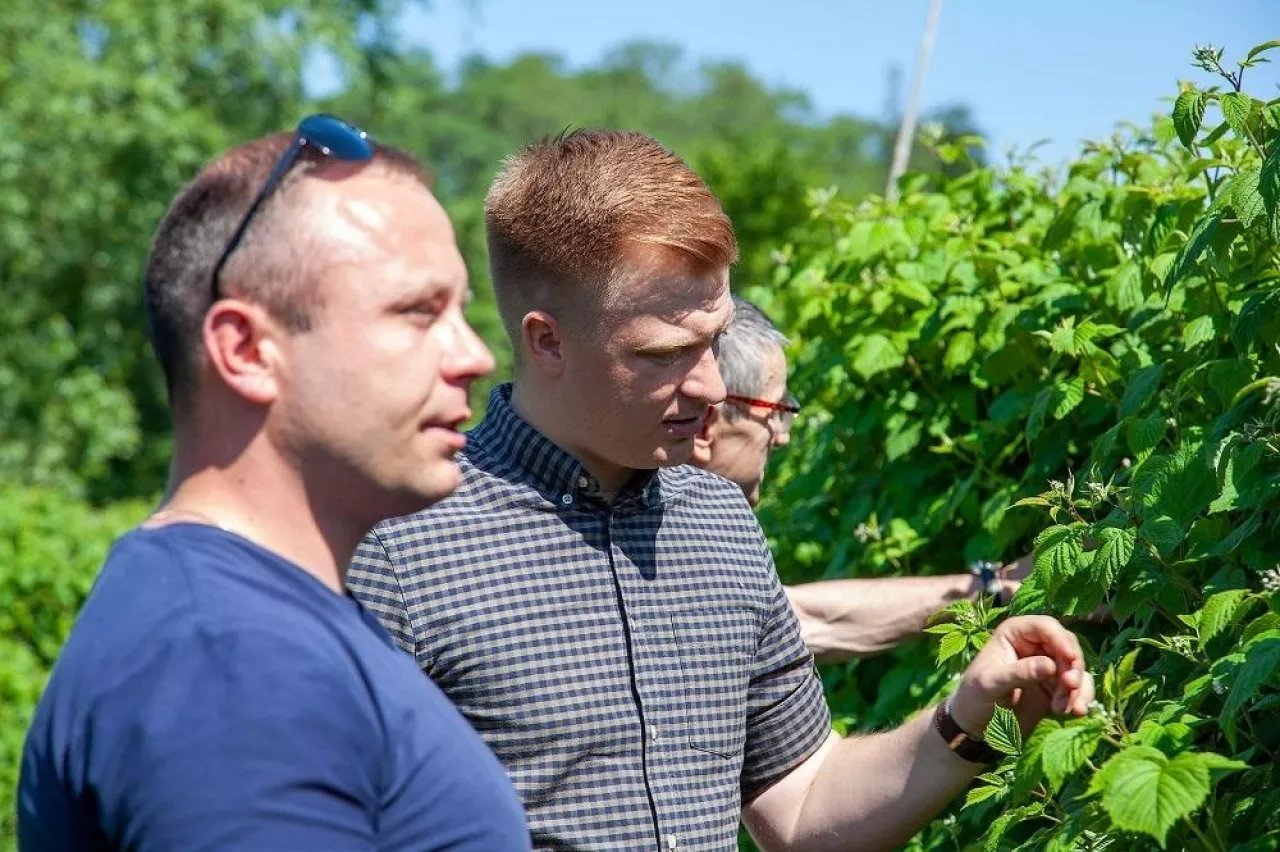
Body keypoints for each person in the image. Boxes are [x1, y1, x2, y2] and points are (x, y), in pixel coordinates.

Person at [348, 129, 1093, 852]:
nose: (709, 385)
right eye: (665, 353)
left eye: (714, 339)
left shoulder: (717, 519)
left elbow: (800, 806)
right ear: (547, 341)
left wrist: (963, 725)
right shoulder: (398, 545)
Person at [18, 116, 530, 851]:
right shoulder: (230, 662)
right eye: (418, 312)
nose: (475, 355)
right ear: (248, 350)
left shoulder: (248, 623)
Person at [690, 297, 1032, 662]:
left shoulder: (702, 533)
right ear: (708, 423)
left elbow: (799, 620)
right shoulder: (654, 542)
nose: (782, 435)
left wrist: (995, 588)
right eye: (776, 411)